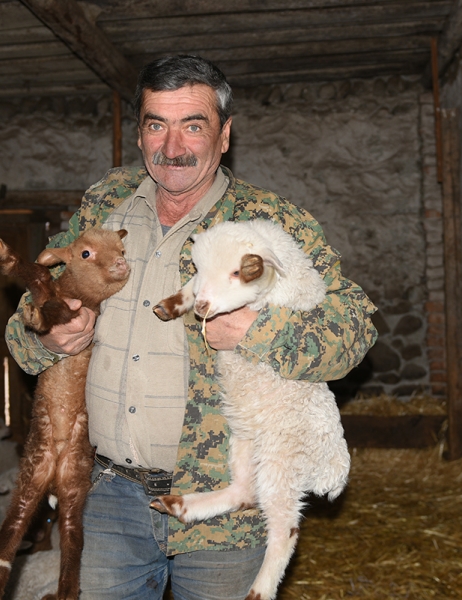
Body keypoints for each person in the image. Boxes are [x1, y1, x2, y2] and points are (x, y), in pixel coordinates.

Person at [5, 55, 377, 600]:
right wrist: (46, 337)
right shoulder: (104, 206)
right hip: (105, 498)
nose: (172, 146)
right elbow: (27, 320)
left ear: (224, 136)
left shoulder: (268, 222)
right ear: (139, 134)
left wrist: (257, 331)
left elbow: (355, 329)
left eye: (193, 126)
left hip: (223, 511)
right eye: (157, 124)